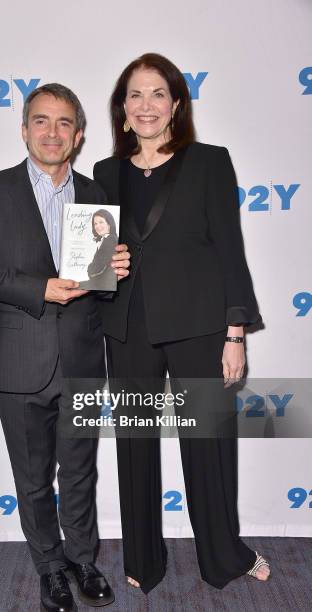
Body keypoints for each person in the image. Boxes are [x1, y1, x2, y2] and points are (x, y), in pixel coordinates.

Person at [93, 53, 270, 594]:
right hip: (128, 327)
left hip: (198, 326)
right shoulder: (105, 172)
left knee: (209, 447)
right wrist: (103, 266)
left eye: (157, 94)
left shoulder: (210, 162)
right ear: (123, 109)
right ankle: (143, 559)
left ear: (176, 105)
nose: (146, 105)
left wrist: (234, 333)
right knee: (135, 447)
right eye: (135, 95)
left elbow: (229, 252)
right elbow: (97, 261)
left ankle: (224, 555)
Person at [0, 83, 130, 612]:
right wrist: (38, 288)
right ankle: (49, 566)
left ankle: (82, 559)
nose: (53, 132)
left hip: (79, 355)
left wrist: (118, 269)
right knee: (32, 478)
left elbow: (104, 276)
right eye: (42, 121)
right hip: (18, 357)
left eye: (64, 123)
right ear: (25, 128)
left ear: (78, 134)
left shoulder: (96, 193)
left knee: (79, 470)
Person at [81, 209, 118, 291]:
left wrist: (89, 268)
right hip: (100, 283)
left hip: (102, 285)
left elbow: (97, 268)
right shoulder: (105, 240)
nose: (98, 226)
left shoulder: (111, 240)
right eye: (95, 224)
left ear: (109, 224)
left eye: (101, 222)